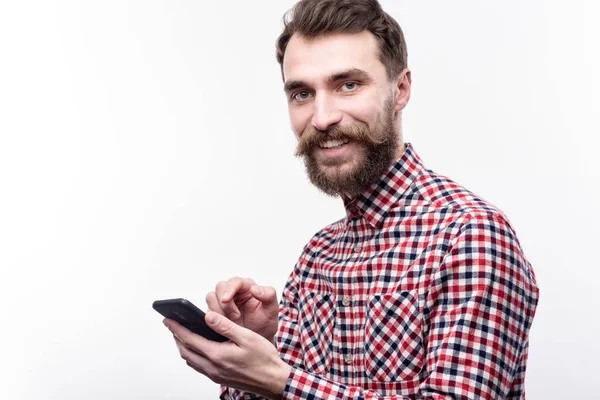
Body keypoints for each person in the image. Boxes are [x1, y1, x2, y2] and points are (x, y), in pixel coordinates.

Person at [162, 0, 540, 398]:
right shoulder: (317, 255)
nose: (322, 117)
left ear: (401, 89)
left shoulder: (469, 236)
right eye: (302, 93)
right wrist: (263, 350)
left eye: (348, 85)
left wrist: (280, 380)